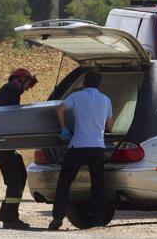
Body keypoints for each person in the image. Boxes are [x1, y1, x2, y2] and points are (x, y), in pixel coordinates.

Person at [49, 71, 113, 230]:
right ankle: (98, 219)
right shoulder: (106, 100)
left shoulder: (76, 97)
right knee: (98, 183)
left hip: (78, 145)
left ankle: (57, 218)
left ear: (84, 84)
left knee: (65, 181)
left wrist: (63, 128)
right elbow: (110, 126)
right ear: (100, 85)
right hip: (98, 147)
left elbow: (59, 109)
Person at [0, 68, 38, 230]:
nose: (27, 89)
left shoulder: (8, 90)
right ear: (21, 79)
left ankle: (6, 212)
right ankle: (10, 218)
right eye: (28, 84)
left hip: (2, 142)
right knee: (15, 179)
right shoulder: (12, 90)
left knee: (19, 174)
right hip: (2, 143)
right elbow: (14, 117)